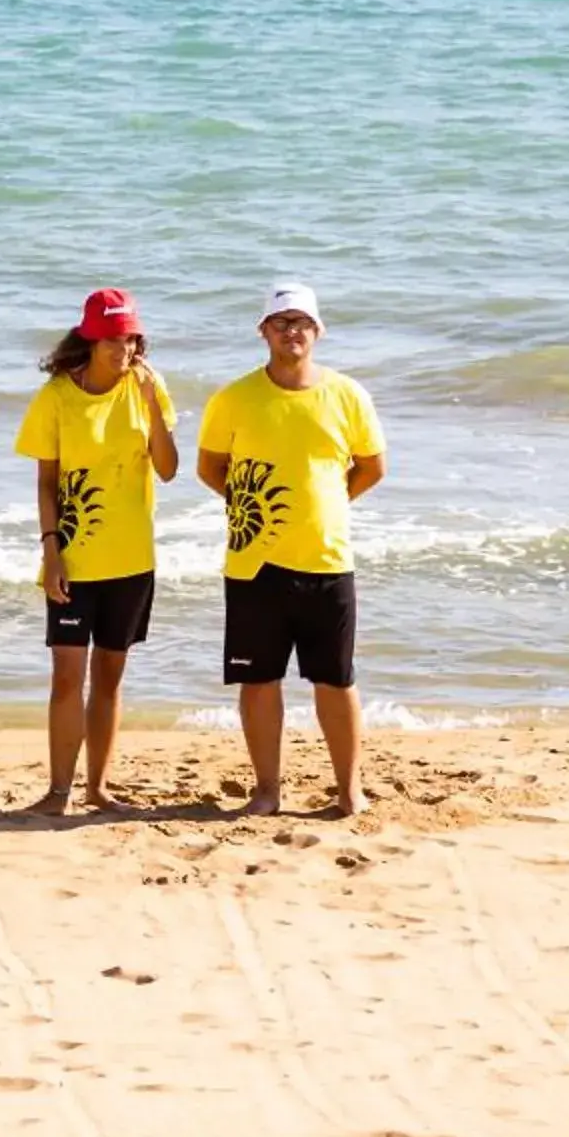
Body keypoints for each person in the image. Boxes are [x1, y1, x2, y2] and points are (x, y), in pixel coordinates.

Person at [195, 282, 385, 817]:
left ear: (318, 331)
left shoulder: (348, 395)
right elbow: (211, 468)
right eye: (281, 322)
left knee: (336, 679)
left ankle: (349, 791)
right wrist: (250, 506)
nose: (291, 331)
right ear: (264, 331)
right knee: (258, 681)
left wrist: (327, 503)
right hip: (255, 563)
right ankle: (267, 791)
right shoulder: (233, 398)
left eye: (301, 322)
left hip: (327, 558)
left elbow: (371, 466)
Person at [16, 288, 178, 814]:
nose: (122, 348)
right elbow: (46, 484)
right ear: (89, 339)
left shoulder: (148, 389)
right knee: (67, 676)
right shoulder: (56, 397)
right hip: (75, 559)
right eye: (111, 338)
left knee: (109, 677)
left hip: (132, 559)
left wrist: (153, 404)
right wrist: (51, 552)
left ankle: (97, 788)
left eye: (129, 337)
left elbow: (168, 469)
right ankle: (58, 791)